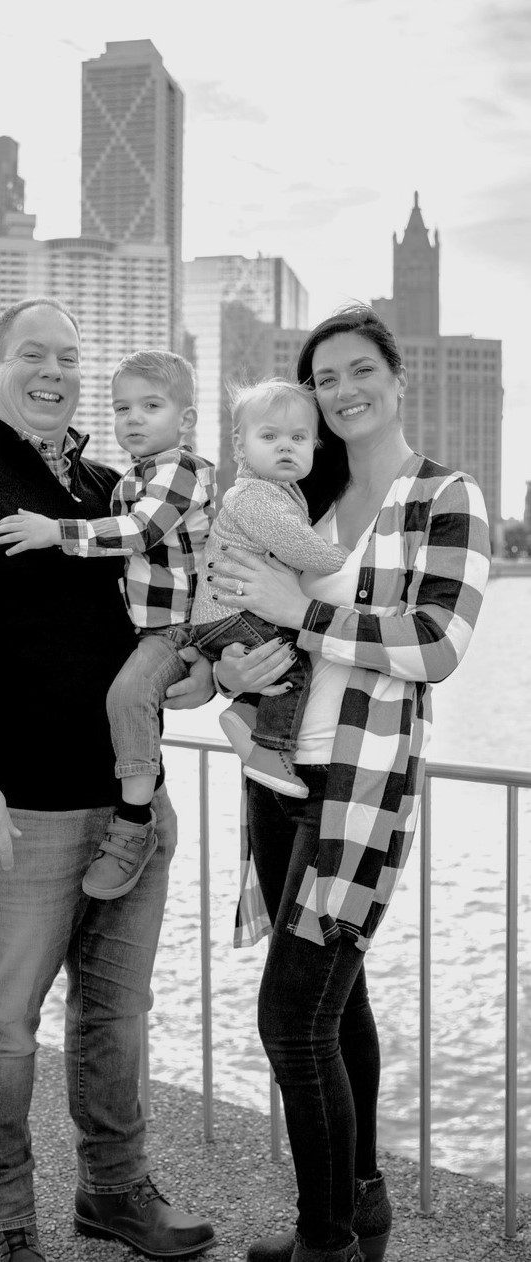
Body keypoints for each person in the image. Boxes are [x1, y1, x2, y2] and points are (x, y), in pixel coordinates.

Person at [0, 297, 217, 1262]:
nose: (55, 372)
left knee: (117, 1015)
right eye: (35, 354)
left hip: (125, 811)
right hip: (14, 813)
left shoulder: (115, 488)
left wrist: (191, 676)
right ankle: (6, 1222)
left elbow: (155, 612)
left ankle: (113, 1192)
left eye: (70, 357)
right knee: (4, 1028)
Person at [208, 306, 490, 1262]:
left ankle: (323, 1242)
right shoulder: (301, 490)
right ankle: (361, 1203)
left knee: (291, 1017)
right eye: (324, 378)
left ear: (394, 377)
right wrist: (227, 678)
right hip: (277, 773)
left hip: (361, 787)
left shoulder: (447, 495)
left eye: (359, 369)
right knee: (341, 1001)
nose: (342, 390)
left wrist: (308, 614)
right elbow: (238, 599)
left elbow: (439, 645)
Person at [0, 349, 217, 901]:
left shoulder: (182, 472)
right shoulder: (130, 477)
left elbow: (139, 532)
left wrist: (56, 532)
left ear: (185, 420)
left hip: (177, 628)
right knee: (127, 697)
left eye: (150, 406)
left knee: (128, 697)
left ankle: (134, 822)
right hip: (150, 628)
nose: (132, 419)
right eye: (121, 409)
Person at [190, 379, 349, 799]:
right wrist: (343, 559)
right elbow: (298, 546)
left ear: (315, 445)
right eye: (270, 437)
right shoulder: (258, 496)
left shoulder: (276, 491)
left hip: (227, 614)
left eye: (298, 438)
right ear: (240, 447)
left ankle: (246, 712)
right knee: (291, 666)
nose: (285, 447)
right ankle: (270, 753)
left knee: (281, 654)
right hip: (228, 616)